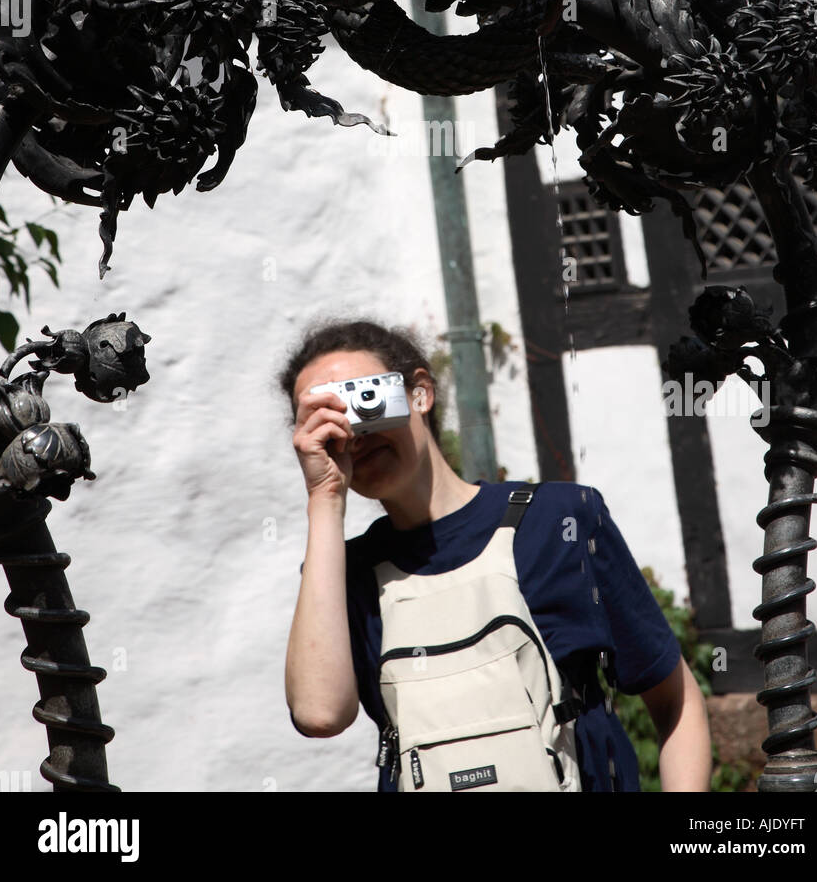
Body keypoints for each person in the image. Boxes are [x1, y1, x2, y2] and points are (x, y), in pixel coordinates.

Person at [281, 318, 713, 792]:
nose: (356, 434)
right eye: (329, 420)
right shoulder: (344, 575)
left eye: (366, 400)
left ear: (419, 393)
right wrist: (324, 496)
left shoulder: (559, 522)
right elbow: (319, 715)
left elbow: (674, 699)